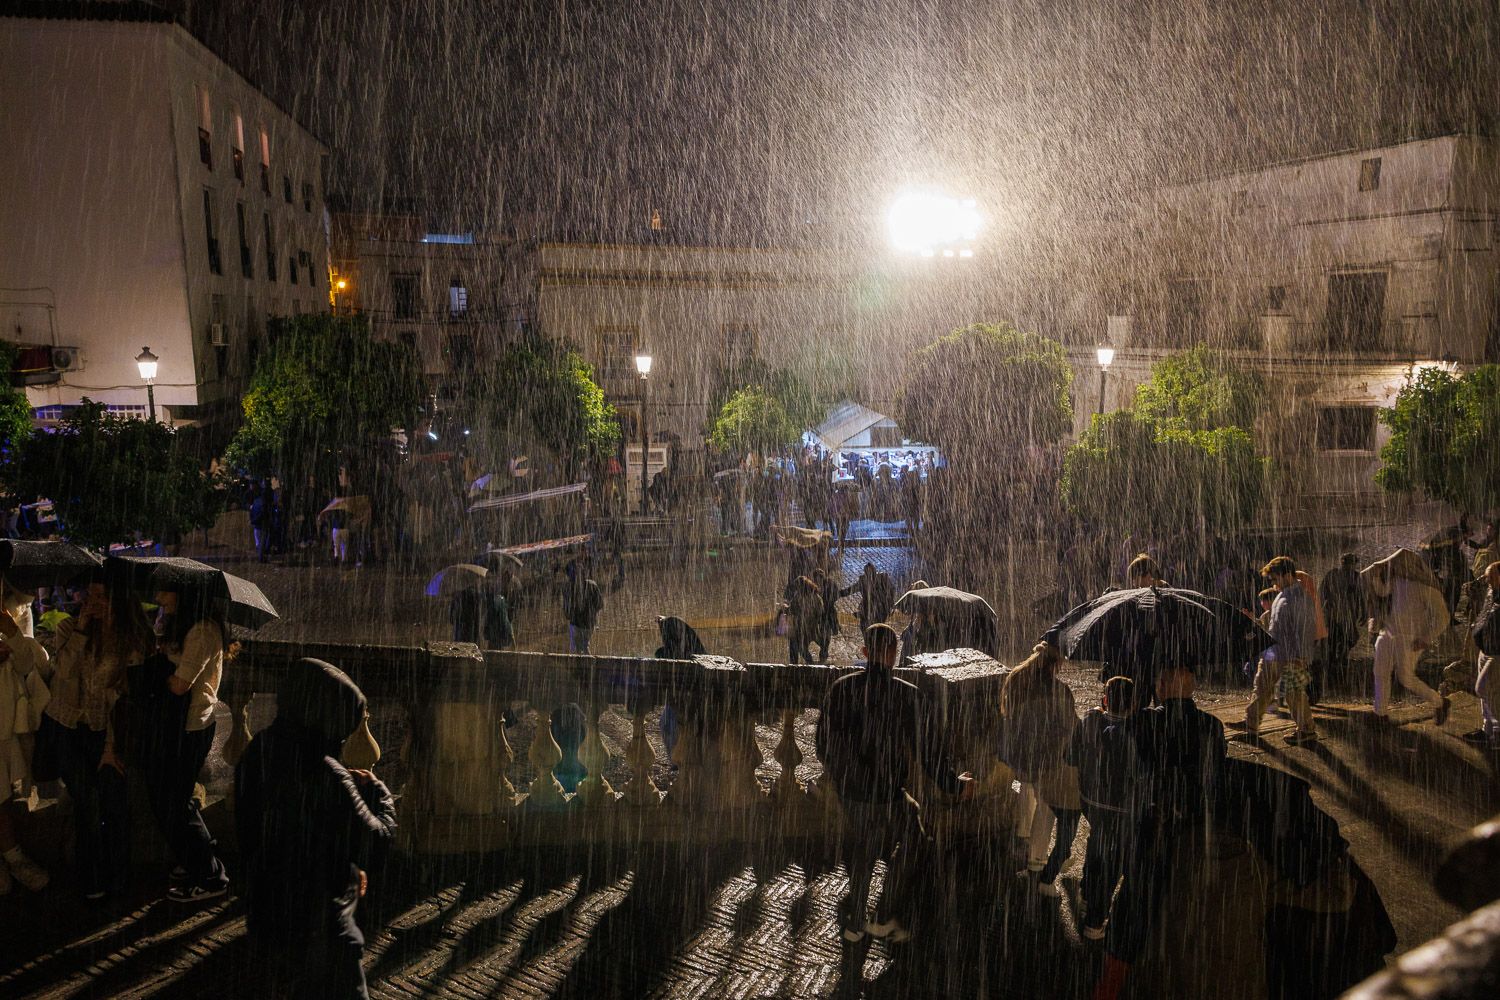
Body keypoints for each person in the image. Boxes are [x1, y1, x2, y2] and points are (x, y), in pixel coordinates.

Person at [236, 658, 397, 998]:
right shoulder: (329, 774)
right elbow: (377, 839)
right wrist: (379, 793)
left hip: (267, 907)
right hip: (322, 921)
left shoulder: (259, 748)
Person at [815, 624, 969, 943]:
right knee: (913, 840)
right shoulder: (907, 694)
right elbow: (929, 753)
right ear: (895, 655)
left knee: (864, 853)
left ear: (865, 652)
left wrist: (847, 777)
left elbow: (823, 744)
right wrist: (954, 784)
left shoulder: (842, 688)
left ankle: (856, 924)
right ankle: (881, 915)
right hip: (887, 792)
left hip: (854, 793)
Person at [1095, 663, 1226, 1000]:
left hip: (1151, 827)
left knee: (1133, 906)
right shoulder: (1212, 726)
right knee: (1183, 906)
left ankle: (1110, 986)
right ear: (1193, 688)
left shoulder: (1146, 721)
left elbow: (1109, 741)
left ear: (1163, 686)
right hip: (1193, 830)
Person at [38, 578, 154, 899]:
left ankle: (117, 877)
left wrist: (109, 748)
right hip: (67, 728)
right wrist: (82, 631)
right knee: (86, 801)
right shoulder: (69, 629)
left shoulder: (131, 639)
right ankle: (91, 877)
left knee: (114, 802)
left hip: (108, 730)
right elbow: (62, 675)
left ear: (119, 600)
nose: (93, 601)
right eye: (90, 595)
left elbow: (125, 700)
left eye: (102, 596)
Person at [148, 585, 230, 902]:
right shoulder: (183, 626)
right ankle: (194, 857)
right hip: (180, 725)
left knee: (174, 802)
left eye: (165, 592)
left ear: (185, 593)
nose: (158, 597)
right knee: (171, 798)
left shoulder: (202, 631)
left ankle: (211, 876)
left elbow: (180, 685)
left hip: (191, 726)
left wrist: (156, 670)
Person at [1068, 675, 1146, 940]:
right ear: (1133, 705)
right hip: (1122, 808)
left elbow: (1072, 756)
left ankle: (1088, 893)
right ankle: (1094, 922)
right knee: (1113, 859)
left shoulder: (1090, 721)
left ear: (1104, 700)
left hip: (1091, 802)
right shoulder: (1139, 732)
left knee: (1097, 841)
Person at [1001, 642, 1082, 896]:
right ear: (1056, 664)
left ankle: (1026, 844)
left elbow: (1009, 716)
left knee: (1031, 796)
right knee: (1046, 809)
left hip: (1022, 754)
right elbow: (1071, 727)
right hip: (1048, 759)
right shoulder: (1059, 691)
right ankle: (1036, 862)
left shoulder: (1017, 680)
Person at [0, 584, 51, 894]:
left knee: (1, 790)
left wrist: (13, 635)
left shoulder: (17, 608)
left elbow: (30, 665)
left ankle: (13, 856)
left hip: (3, 716)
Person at [1363, 552, 1451, 726]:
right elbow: (1382, 591)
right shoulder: (1397, 581)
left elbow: (1442, 617)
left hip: (1409, 638)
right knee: (1380, 672)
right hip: (1387, 633)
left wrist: (1426, 637)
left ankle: (1440, 702)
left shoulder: (1426, 587)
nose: (1394, 566)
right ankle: (1379, 714)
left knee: (1406, 678)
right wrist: (1373, 575)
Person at [1245, 556, 1319, 745]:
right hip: (1276, 652)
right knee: (1265, 687)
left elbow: (1305, 629)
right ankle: (1251, 725)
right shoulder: (1284, 594)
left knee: (1291, 693)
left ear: (1287, 575)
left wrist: (1300, 656)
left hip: (1289, 654)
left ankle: (1306, 730)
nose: (1274, 584)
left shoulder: (1299, 598)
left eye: (1275, 579)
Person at [1462, 562, 1500, 746]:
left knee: (1484, 689)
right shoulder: (1493, 591)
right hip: (1485, 648)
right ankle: (1489, 730)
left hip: (1497, 652)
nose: (1488, 580)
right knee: (1488, 694)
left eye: (1491, 577)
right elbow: (1486, 614)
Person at [1320, 554, 1368, 680]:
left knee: (1345, 641)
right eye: (1347, 563)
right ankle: (1336, 668)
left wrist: (1363, 611)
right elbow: (1322, 593)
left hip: (1344, 616)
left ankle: (1336, 666)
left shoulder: (1354, 577)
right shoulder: (1334, 575)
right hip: (1336, 615)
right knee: (1337, 642)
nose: (1348, 566)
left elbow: (1361, 596)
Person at [841, 562, 896, 633]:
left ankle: (870, 638)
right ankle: (875, 639)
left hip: (871, 609)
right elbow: (892, 590)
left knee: (868, 627)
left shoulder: (865, 580)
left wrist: (838, 593)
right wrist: (891, 604)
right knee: (877, 628)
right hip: (879, 609)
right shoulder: (882, 578)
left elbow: (850, 590)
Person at [562, 564, 603, 654]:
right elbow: (600, 604)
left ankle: (579, 664)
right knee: (585, 645)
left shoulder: (567, 588)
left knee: (576, 647)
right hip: (589, 623)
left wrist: (570, 616)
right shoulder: (592, 585)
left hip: (575, 624)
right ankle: (587, 663)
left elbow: (566, 610)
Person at [785, 575, 823, 665]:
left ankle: (796, 666)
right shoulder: (816, 596)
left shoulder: (799, 596)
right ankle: (809, 665)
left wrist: (786, 608)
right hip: (810, 627)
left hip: (800, 627)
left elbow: (792, 610)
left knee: (797, 648)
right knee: (801, 648)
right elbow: (819, 612)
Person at [814, 569, 840, 663]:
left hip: (826, 615)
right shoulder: (813, 587)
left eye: (820, 577)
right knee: (821, 638)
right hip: (819, 616)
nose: (818, 580)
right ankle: (823, 652)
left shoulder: (830, 584)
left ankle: (823, 657)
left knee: (826, 639)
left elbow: (835, 596)